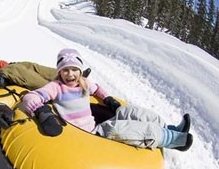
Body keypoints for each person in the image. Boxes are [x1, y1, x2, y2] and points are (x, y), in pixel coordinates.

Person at [22, 48, 193, 151]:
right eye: (65, 70)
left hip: (95, 126)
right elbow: (31, 97)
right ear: (59, 71)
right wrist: (41, 111)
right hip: (86, 135)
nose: (70, 74)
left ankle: (169, 128)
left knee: (129, 112)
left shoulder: (84, 83)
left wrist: (108, 99)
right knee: (120, 128)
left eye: (75, 69)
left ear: (80, 71)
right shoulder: (56, 87)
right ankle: (172, 140)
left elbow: (97, 89)